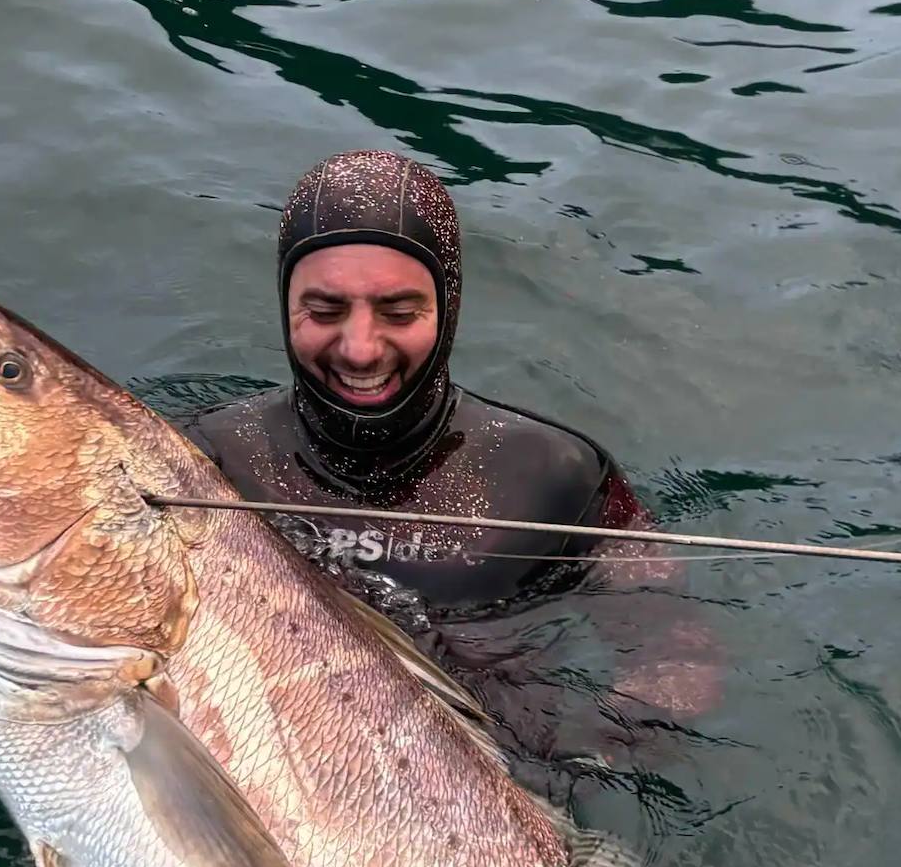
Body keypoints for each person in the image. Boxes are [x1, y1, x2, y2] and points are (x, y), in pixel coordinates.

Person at [183, 149, 720, 770]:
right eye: (325, 311)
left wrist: (573, 765)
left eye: (400, 312)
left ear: (449, 306)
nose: (359, 348)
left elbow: (679, 654)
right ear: (285, 305)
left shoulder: (558, 475)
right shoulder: (209, 461)